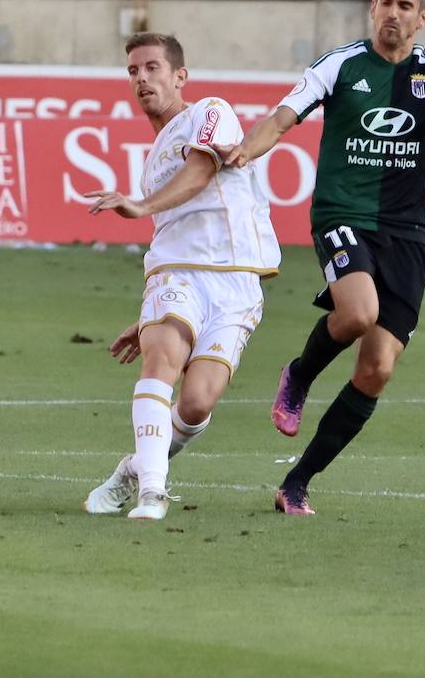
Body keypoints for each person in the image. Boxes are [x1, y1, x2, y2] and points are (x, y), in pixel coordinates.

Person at [216, 0, 425, 516]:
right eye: (385, 2)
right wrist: (248, 148)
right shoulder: (340, 64)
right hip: (343, 215)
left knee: (377, 369)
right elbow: (283, 116)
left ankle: (297, 482)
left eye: (405, 5)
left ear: (423, 17)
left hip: (408, 231)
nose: (393, 13)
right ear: (373, 6)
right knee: (359, 313)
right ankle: (299, 373)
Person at [82, 33, 281, 522]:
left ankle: (132, 469)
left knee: (195, 405)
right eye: (133, 71)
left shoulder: (209, 111)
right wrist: (150, 318)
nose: (142, 78)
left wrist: (141, 205)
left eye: (152, 67)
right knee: (161, 363)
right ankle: (153, 491)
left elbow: (201, 171)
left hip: (237, 283)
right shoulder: (152, 160)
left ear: (179, 76)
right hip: (177, 276)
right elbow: (173, 232)